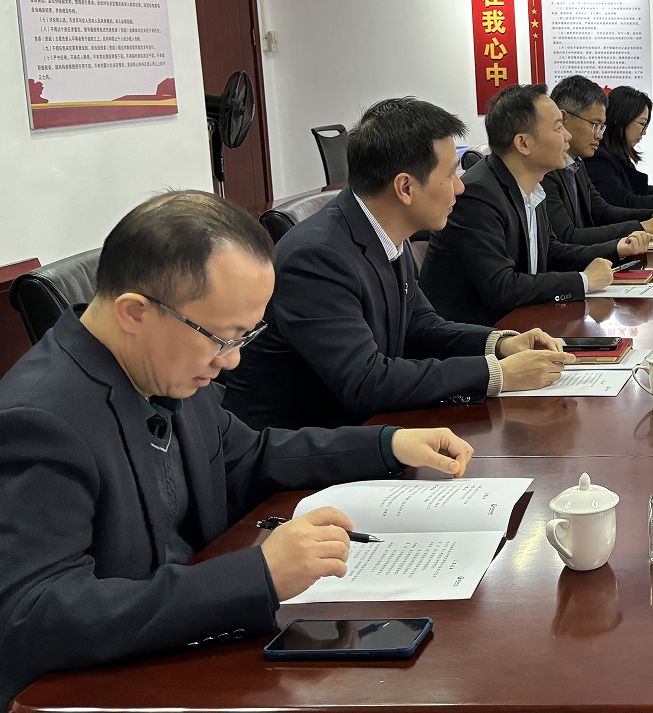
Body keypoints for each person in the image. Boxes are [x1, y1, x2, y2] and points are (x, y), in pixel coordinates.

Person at [0, 191, 478, 709]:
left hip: (192, 655)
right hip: (106, 690)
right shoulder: (41, 419)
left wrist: (388, 444)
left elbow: (248, 456)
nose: (231, 362)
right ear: (134, 312)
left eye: (245, 336)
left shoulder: (163, 363)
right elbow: (35, 614)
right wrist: (258, 576)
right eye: (222, 337)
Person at [223, 98, 573, 430]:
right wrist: (498, 374)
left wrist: (502, 343)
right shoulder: (316, 259)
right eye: (451, 175)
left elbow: (420, 326)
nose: (460, 188)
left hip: (367, 430)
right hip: (303, 452)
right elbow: (367, 381)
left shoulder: (383, 230)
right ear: (405, 187)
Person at [420, 85, 648, 326]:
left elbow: (551, 253)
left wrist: (618, 248)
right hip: (478, 336)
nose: (567, 137)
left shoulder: (530, 186)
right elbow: (502, 287)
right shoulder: (478, 194)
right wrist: (583, 281)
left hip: (521, 325)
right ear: (523, 143)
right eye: (558, 128)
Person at [545, 76, 653, 245]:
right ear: (563, 119)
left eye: (602, 126)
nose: (599, 135)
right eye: (594, 124)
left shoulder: (577, 164)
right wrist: (644, 226)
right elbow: (567, 238)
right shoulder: (546, 169)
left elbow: (602, 212)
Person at [586, 85, 653, 211]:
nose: (644, 132)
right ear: (620, 118)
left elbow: (637, 191)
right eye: (642, 124)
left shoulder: (616, 156)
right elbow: (625, 203)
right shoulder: (597, 158)